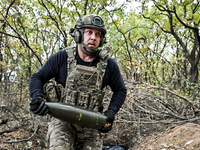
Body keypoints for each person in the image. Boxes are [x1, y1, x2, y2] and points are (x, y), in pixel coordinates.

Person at [29, 14, 127, 150]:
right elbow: (37, 77)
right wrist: (38, 97)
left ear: (102, 39)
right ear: (78, 34)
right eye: (89, 32)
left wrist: (111, 111)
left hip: (91, 123)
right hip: (63, 122)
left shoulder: (109, 65)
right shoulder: (62, 57)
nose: (93, 37)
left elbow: (120, 90)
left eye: (98, 34)